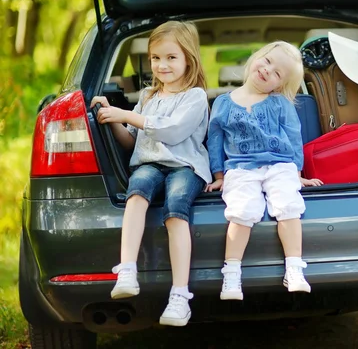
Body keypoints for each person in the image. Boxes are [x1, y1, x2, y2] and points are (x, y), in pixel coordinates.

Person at [91, 20, 211, 327]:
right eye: (156, 58)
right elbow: (133, 141)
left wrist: (126, 113)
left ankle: (180, 295)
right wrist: (112, 117)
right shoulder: (148, 97)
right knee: (138, 189)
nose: (162, 64)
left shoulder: (195, 96)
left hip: (185, 166)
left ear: (189, 58)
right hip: (149, 163)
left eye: (171, 57)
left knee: (175, 209)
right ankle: (128, 268)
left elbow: (172, 132)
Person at [205, 41, 323, 300]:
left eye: (278, 73)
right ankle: (232, 273)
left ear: (279, 85)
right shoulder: (223, 103)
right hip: (240, 168)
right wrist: (218, 176)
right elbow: (214, 141)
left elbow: (293, 138)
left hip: (280, 166)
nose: (268, 70)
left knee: (289, 206)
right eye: (267, 61)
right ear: (257, 56)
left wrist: (297, 174)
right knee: (241, 212)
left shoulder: (280, 104)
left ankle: (294, 268)